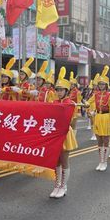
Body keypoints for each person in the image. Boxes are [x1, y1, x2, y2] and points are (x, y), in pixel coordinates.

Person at [50, 67, 78, 198]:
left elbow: (72, 121)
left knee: (64, 160)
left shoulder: (71, 103)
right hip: (55, 134)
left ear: (66, 91)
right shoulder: (53, 102)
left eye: (61, 90)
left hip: (65, 133)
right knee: (56, 161)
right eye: (57, 90)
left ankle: (63, 186)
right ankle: (56, 185)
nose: (59, 92)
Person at [86, 66, 110, 171]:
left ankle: (105, 162)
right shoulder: (95, 94)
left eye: (103, 84)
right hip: (98, 117)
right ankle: (100, 160)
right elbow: (88, 102)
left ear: (106, 85)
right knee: (99, 141)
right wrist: (85, 107)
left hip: (107, 118)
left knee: (106, 140)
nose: (101, 86)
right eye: (100, 84)